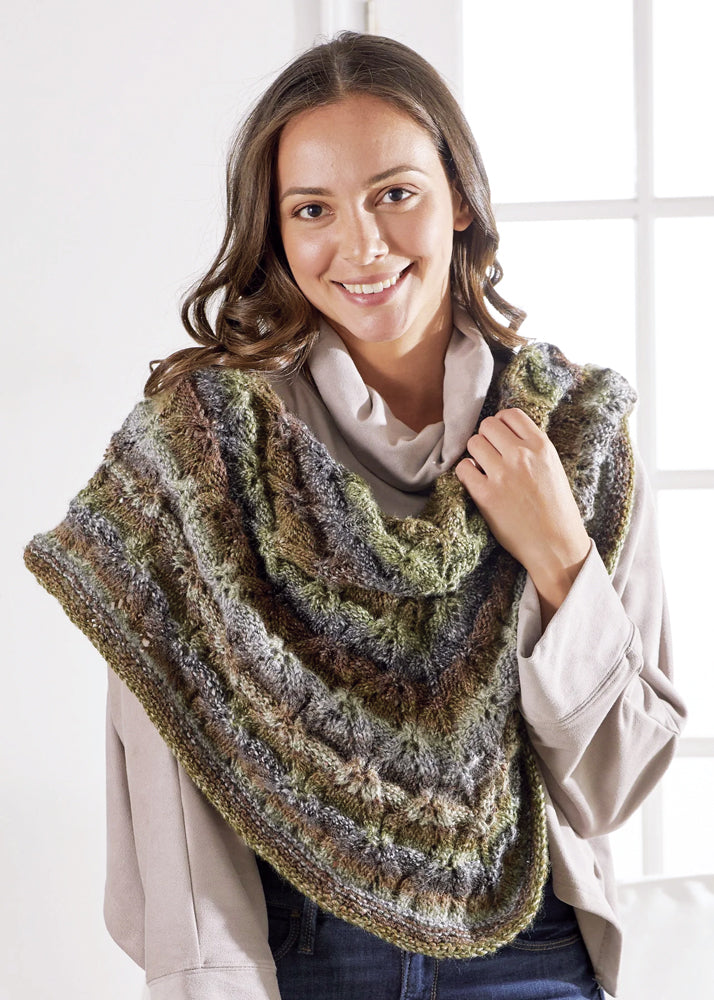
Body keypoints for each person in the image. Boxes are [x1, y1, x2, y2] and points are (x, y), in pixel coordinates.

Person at [24, 31, 686, 1000]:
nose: (362, 245)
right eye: (313, 209)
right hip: (298, 953)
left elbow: (614, 784)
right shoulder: (202, 445)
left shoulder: (574, 436)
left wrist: (560, 560)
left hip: (530, 951)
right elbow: (173, 785)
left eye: (395, 193)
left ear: (461, 199)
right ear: (277, 233)